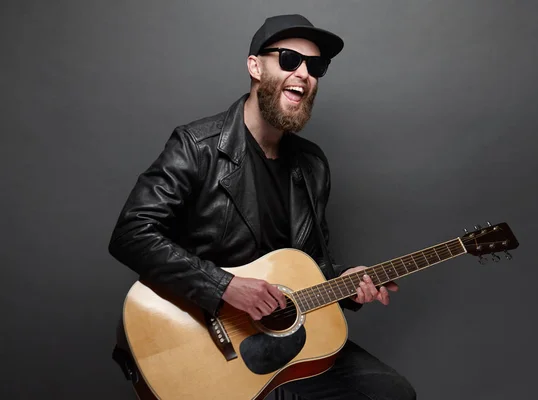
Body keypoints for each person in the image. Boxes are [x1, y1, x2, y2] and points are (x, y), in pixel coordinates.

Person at [108, 14, 416, 400]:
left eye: (315, 66)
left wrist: (347, 284)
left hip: (286, 341)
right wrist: (225, 287)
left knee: (391, 393)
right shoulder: (197, 146)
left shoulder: (312, 165)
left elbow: (307, 269)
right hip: (205, 341)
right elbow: (131, 233)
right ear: (255, 66)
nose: (304, 73)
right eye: (289, 59)